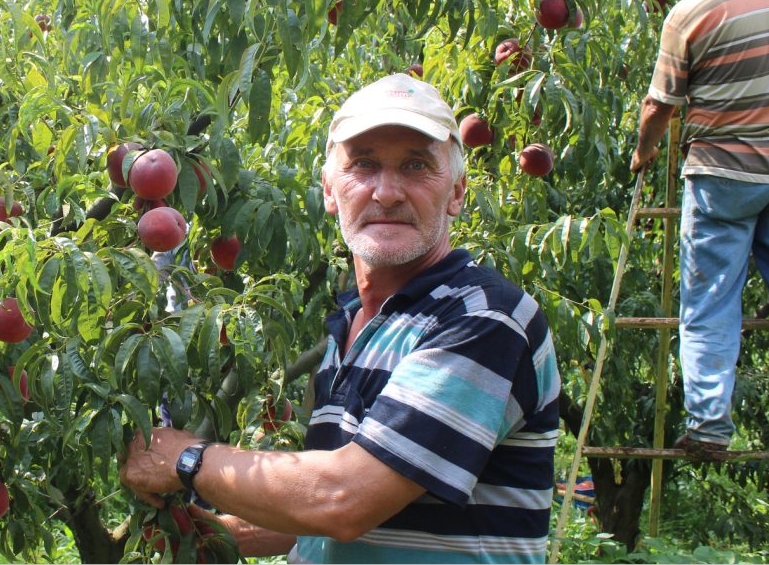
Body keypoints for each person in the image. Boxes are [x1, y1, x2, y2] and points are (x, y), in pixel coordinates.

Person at [119, 74, 560, 563]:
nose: (387, 192)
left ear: (456, 192)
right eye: (364, 165)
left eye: (416, 166)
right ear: (330, 191)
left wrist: (186, 459)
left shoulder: (484, 317)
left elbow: (346, 498)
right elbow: (325, 516)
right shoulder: (353, 327)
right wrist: (218, 534)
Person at [630, 0, 769, 455]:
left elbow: (660, 104)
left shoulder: (691, 12)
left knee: (709, 302)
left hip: (722, 177)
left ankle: (709, 423)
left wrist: (645, 150)